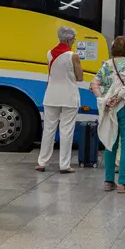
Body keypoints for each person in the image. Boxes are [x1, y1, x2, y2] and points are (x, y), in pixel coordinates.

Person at [90, 36, 125, 193]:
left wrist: (103, 100)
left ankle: (108, 181)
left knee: (110, 142)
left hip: (109, 110)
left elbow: (94, 83)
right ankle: (123, 183)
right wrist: (116, 98)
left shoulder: (107, 64)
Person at [36, 26, 84, 173]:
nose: (74, 42)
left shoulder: (49, 53)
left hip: (51, 96)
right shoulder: (73, 56)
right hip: (69, 96)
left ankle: (42, 162)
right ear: (69, 39)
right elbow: (80, 77)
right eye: (73, 40)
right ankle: (64, 165)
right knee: (66, 131)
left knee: (48, 130)